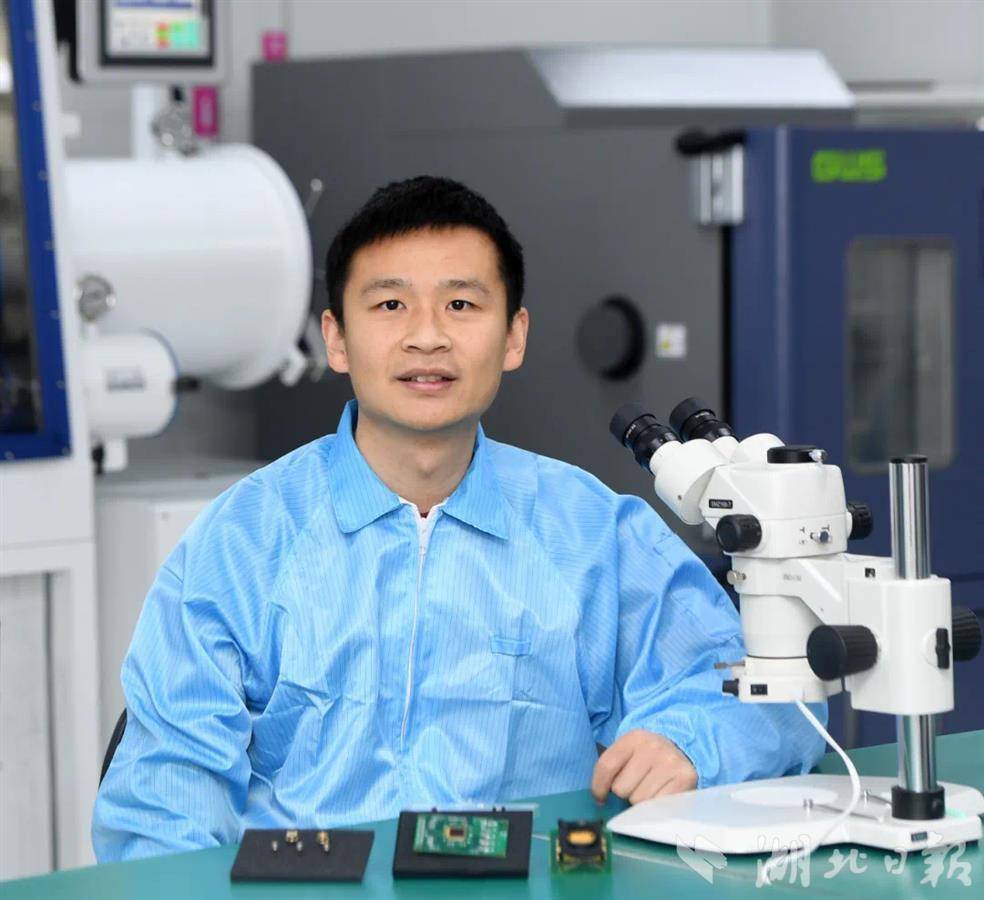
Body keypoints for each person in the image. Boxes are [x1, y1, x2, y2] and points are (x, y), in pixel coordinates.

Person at [93, 176, 825, 861]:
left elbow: (774, 702)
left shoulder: (595, 535)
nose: (427, 337)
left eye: (462, 305)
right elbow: (165, 799)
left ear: (514, 336)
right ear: (336, 338)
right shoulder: (245, 539)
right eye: (390, 306)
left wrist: (692, 744)